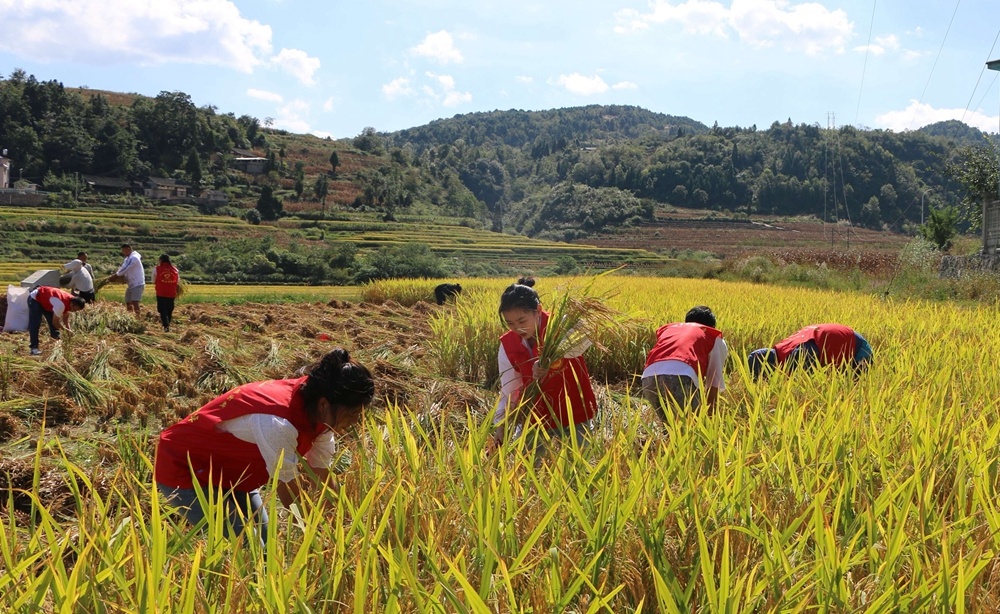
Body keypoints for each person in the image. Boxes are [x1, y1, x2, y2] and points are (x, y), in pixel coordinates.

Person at [154, 348, 375, 545]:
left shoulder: (319, 409)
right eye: (353, 414)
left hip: (234, 473)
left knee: (267, 546)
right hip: (186, 470)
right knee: (248, 550)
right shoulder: (278, 422)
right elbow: (288, 489)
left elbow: (321, 471)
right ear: (325, 403)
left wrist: (343, 522)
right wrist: (316, 535)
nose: (355, 422)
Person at [488, 277, 597, 458]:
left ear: (538, 311)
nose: (518, 329)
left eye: (522, 321)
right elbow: (510, 389)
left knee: (580, 469)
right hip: (535, 416)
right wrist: (502, 423)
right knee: (530, 472)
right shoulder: (507, 344)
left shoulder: (561, 326)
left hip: (574, 412)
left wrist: (550, 356)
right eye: (510, 323)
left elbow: (586, 338)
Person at [641, 305, 728, 419]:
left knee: (670, 428)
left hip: (649, 377)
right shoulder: (712, 336)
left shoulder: (673, 330)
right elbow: (713, 382)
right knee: (691, 429)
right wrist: (710, 420)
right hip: (680, 377)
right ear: (712, 326)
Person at [747, 323, 873, 378]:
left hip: (859, 350)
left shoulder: (800, 355)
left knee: (850, 389)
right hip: (842, 339)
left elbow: (802, 385)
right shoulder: (784, 348)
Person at [27, 286, 86, 355]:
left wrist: (69, 330)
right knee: (35, 323)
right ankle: (34, 348)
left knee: (53, 325)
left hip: (47, 301)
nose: (74, 311)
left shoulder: (71, 300)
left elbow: (65, 318)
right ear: (72, 304)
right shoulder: (60, 305)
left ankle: (56, 345)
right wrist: (65, 330)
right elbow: (55, 323)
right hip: (36, 298)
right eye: (74, 309)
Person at [113, 244, 145, 317]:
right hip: (131, 284)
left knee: (135, 301)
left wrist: (116, 275)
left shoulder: (134, 258)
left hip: (137, 283)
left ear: (128, 249)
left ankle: (138, 317)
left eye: (124, 251)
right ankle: (130, 316)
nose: (123, 253)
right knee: (128, 301)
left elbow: (127, 268)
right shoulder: (127, 259)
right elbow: (122, 268)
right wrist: (121, 276)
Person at [154, 254, 180, 332]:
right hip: (171, 293)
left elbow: (153, 280)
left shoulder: (157, 269)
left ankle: (166, 325)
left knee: (162, 309)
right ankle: (167, 324)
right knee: (169, 308)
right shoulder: (175, 270)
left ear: (161, 260)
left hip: (161, 292)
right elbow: (178, 281)